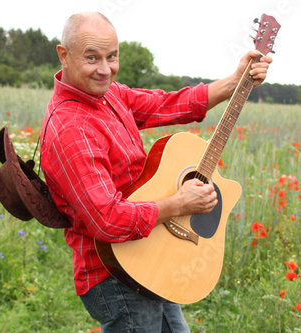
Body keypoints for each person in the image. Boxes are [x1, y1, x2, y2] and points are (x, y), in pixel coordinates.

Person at [40, 12, 272, 333]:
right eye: (92, 58)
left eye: (112, 56)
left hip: (149, 253)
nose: (105, 69)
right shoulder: (73, 128)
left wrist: (235, 81)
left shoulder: (108, 95)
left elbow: (163, 104)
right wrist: (179, 204)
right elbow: (107, 220)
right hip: (114, 274)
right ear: (63, 55)